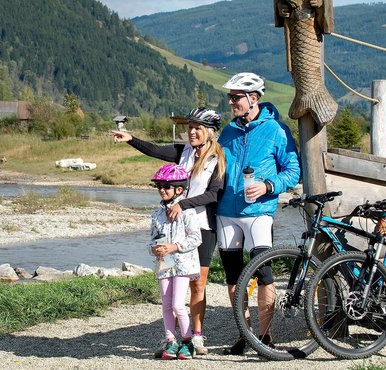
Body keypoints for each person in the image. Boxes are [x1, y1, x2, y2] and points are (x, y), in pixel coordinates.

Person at [112, 107, 225, 355]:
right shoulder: (183, 152)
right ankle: (171, 338)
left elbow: (214, 194)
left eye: (198, 128)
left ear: (210, 133)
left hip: (202, 225)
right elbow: (154, 150)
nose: (192, 132)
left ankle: (195, 336)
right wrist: (131, 139)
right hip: (173, 228)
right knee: (170, 285)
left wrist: (181, 204)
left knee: (198, 284)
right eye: (190, 127)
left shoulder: (217, 159)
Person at [215, 72, 301, 354]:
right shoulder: (227, 131)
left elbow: (293, 171)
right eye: (230, 97)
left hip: (259, 212)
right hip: (226, 212)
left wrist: (267, 185)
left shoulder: (276, 130)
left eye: (236, 97)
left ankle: (265, 337)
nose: (231, 102)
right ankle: (244, 334)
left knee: (264, 275)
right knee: (232, 277)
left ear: (253, 99)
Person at [147, 163, 202, 360]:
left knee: (178, 304)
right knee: (166, 305)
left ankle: (188, 341)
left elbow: (196, 239)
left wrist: (174, 246)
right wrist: (153, 249)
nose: (162, 190)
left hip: (183, 264)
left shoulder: (188, 212)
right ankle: (171, 341)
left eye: (166, 186)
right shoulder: (156, 214)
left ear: (179, 189)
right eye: (159, 186)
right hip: (164, 264)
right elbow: (152, 239)